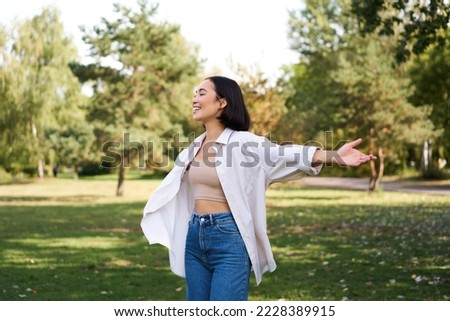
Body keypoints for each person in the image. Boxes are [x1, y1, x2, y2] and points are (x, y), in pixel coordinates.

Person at [141, 76, 376, 301]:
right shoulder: (192, 147)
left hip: (228, 238)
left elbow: (283, 154)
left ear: (222, 102)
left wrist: (333, 156)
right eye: (194, 94)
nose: (194, 99)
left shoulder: (243, 142)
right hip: (194, 236)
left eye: (201, 93)